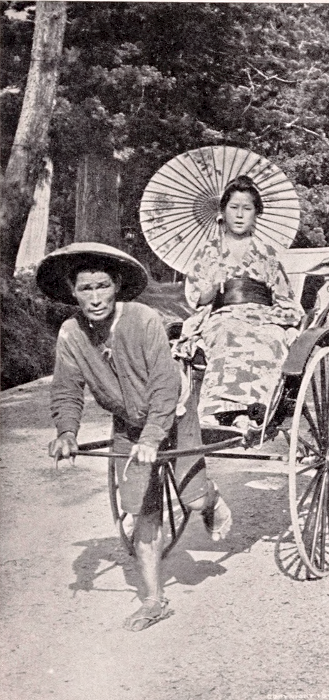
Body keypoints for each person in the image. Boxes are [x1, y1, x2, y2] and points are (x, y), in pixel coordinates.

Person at [37, 242, 232, 632]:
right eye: (86, 289)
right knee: (143, 512)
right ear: (73, 292)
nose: (95, 298)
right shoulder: (71, 334)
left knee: (193, 499)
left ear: (117, 286)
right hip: (129, 425)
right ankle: (154, 600)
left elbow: (163, 384)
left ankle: (210, 498)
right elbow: (67, 389)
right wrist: (67, 433)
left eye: (103, 286)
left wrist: (153, 436)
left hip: (173, 414)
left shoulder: (142, 319)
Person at [179, 175, 304, 429]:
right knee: (228, 334)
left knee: (271, 338)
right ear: (223, 211)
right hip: (223, 314)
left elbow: (283, 298)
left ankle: (254, 411)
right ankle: (220, 411)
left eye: (247, 208)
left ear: (256, 214)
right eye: (233, 207)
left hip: (263, 316)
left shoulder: (267, 253)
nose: (239, 215)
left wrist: (277, 318)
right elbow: (197, 298)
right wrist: (212, 286)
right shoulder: (209, 251)